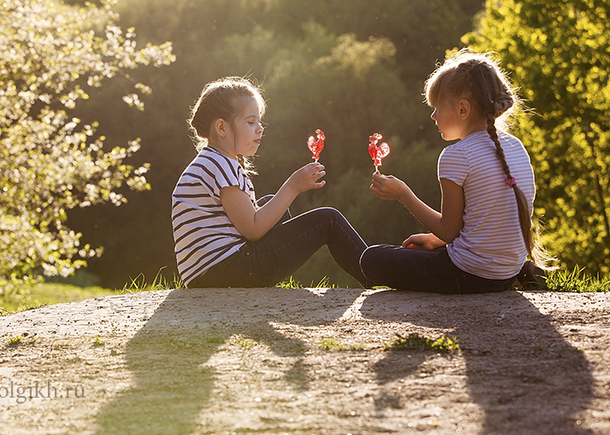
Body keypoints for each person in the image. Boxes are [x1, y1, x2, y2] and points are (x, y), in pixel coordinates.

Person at [361, 49, 551, 293]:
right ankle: (523, 272)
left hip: (467, 275)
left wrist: (404, 195)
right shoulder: (515, 147)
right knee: (407, 254)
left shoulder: (456, 156)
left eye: (438, 108)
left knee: (372, 259)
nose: (433, 116)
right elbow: (490, 220)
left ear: (463, 110)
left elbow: (450, 231)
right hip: (506, 272)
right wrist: (434, 241)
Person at [172, 76, 368, 288]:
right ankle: (374, 272)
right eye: (250, 122)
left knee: (270, 204)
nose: (260, 128)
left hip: (212, 272)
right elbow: (253, 229)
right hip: (228, 268)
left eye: (259, 121)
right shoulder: (220, 165)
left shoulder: (210, 161)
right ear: (221, 128)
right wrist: (293, 186)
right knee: (329, 220)